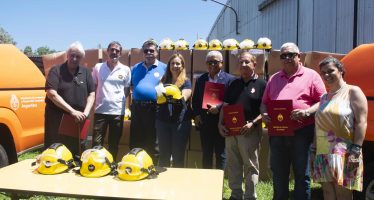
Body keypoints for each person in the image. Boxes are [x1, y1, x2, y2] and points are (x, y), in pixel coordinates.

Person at [260, 42, 326, 200]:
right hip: (278, 133)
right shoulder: (274, 78)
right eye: (283, 55)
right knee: (279, 173)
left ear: (299, 56)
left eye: (291, 54)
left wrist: (306, 111)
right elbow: (264, 103)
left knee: (301, 174)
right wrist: (264, 114)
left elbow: (323, 100)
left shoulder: (311, 76)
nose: (287, 58)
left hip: (301, 132)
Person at [302, 57, 367, 200]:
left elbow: (362, 122)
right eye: (323, 73)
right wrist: (313, 149)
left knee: (342, 193)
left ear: (341, 71)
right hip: (323, 152)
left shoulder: (353, 91)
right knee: (327, 193)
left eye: (330, 71)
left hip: (345, 152)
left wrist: (356, 149)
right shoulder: (324, 97)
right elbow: (319, 124)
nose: (326, 75)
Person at [218, 51, 266, 200]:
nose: (243, 65)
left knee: (250, 165)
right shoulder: (233, 83)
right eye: (241, 62)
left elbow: (266, 110)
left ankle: (250, 196)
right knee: (233, 164)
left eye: (247, 62)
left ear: (255, 64)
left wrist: (253, 123)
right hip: (231, 130)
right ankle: (236, 194)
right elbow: (225, 106)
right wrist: (220, 124)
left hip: (249, 130)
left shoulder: (262, 84)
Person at [44, 41, 95, 158]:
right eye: (72, 55)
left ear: (81, 58)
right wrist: (72, 111)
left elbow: (91, 94)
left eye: (78, 56)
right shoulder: (56, 70)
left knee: (78, 151)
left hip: (78, 120)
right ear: (67, 55)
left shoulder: (86, 72)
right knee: (56, 152)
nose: (75, 58)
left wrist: (85, 113)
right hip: (58, 120)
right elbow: (51, 93)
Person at [192, 50, 235, 169]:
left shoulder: (230, 80)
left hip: (222, 122)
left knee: (221, 154)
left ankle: (220, 183)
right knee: (206, 154)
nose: (211, 65)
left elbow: (233, 100)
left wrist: (219, 108)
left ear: (222, 62)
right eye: (209, 62)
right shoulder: (201, 79)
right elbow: (195, 101)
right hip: (205, 122)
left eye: (215, 62)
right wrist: (197, 115)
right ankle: (206, 183)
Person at [91, 41, 131, 159]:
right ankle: (95, 164)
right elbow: (93, 87)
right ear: (107, 51)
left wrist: (116, 99)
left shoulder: (126, 70)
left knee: (114, 144)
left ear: (120, 53)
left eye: (117, 50)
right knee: (97, 143)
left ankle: (111, 165)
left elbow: (126, 90)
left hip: (117, 112)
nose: (114, 52)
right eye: (112, 50)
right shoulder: (98, 67)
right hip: (100, 111)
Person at [130, 39, 167, 160]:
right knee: (136, 136)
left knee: (152, 138)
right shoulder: (136, 67)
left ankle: (152, 164)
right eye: (146, 50)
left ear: (157, 52)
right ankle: (135, 162)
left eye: (152, 50)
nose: (149, 53)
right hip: (136, 106)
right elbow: (130, 86)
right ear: (143, 52)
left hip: (154, 107)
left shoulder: (164, 68)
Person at [155, 53, 192, 168]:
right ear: (169, 65)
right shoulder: (163, 80)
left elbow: (186, 94)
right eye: (173, 63)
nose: (175, 66)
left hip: (180, 123)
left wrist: (179, 96)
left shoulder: (186, 81)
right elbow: (158, 97)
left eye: (178, 63)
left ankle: (178, 183)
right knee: (164, 156)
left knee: (178, 156)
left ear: (182, 66)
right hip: (163, 122)